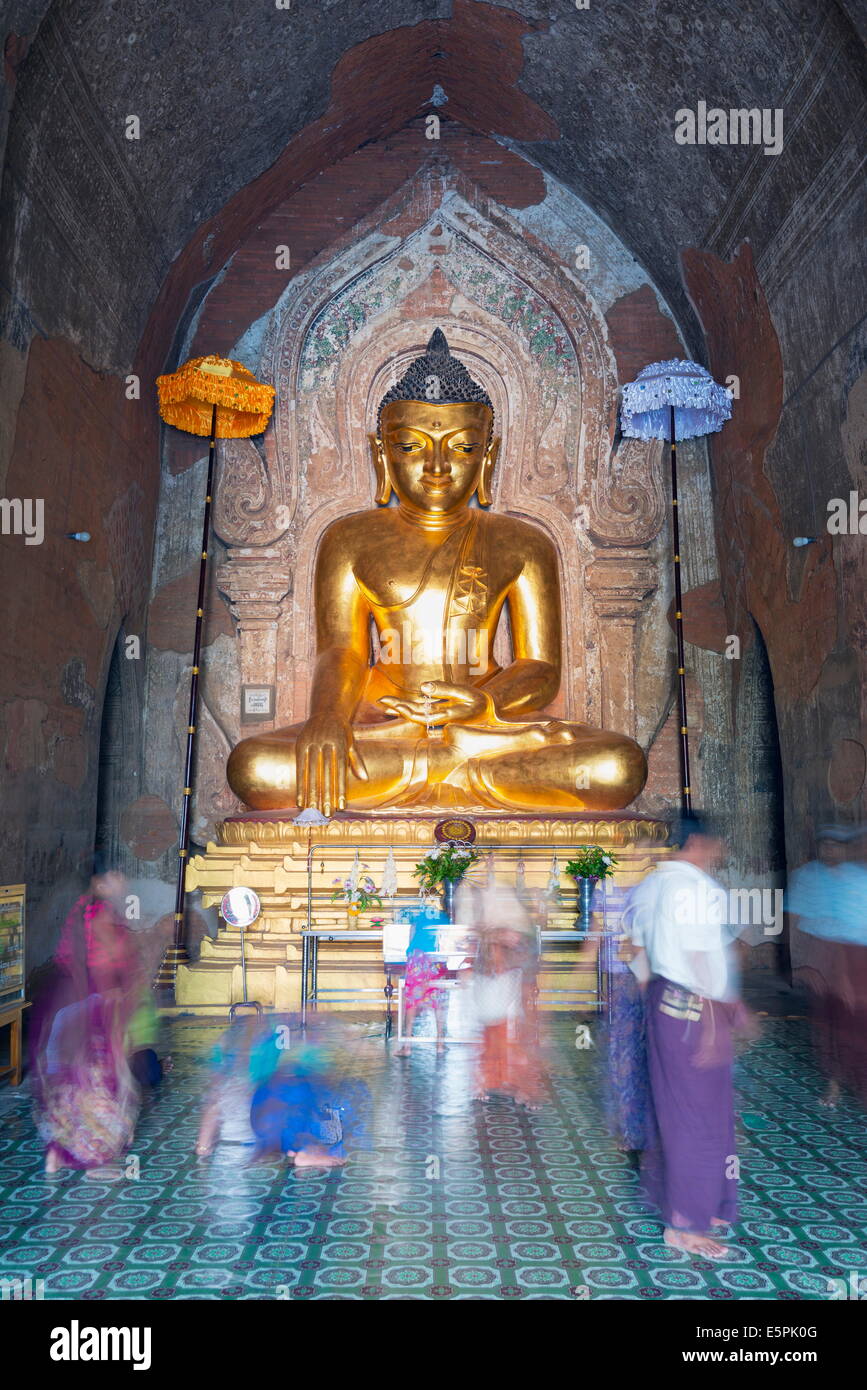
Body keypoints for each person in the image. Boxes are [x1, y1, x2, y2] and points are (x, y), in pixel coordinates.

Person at [633, 813, 756, 1258]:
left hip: (669, 1002)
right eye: (715, 844)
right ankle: (684, 1224)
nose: (718, 852)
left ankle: (709, 1205)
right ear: (699, 843)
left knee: (696, 1109)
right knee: (695, 1117)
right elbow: (700, 952)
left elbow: (644, 953)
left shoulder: (654, 884)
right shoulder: (693, 887)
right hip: (693, 1007)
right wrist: (712, 1020)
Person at [31, 855, 140, 1173]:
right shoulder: (101, 913)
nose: (122, 881)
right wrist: (116, 1002)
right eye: (116, 876)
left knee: (67, 1079)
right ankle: (94, 1153)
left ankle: (56, 1150)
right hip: (95, 1003)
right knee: (100, 1076)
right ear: (99, 883)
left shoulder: (83, 907)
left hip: (69, 1002)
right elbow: (107, 963)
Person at [787, 825, 861, 1107]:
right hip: (819, 951)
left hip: (854, 954)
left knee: (854, 1019)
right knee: (829, 1022)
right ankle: (834, 1085)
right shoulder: (805, 877)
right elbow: (793, 922)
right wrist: (799, 965)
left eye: (836, 844)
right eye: (825, 844)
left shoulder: (856, 878)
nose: (830, 850)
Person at [459, 879, 544, 1108]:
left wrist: (503, 937)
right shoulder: (476, 901)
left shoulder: (507, 902)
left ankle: (522, 1088)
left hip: (511, 977)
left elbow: (520, 940)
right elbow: (475, 936)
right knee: (490, 1035)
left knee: (514, 1037)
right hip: (489, 979)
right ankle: (486, 1082)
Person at [395, 899, 450, 1057]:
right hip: (437, 958)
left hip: (417, 956)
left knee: (412, 1001)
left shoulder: (418, 914)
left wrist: (409, 957)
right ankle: (440, 1044)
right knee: (438, 1000)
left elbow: (412, 934)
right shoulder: (446, 916)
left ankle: (407, 1047)